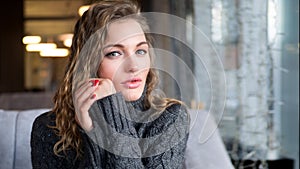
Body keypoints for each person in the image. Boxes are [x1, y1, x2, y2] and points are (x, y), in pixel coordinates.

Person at [30, 0, 189, 168]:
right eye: (114, 53)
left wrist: (105, 122)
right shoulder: (48, 128)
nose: (134, 66)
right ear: (89, 63)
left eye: (140, 51)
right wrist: (94, 134)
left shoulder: (171, 118)